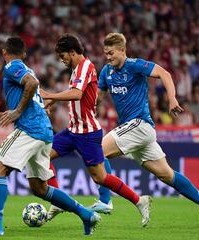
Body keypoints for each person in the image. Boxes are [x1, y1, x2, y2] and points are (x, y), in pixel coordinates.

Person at [0, 36, 101, 236]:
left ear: (4, 53)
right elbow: (27, 94)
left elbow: (31, 85)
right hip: (44, 131)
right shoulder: (26, 69)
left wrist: (16, 112)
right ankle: (85, 214)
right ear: (24, 54)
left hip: (29, 129)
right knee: (40, 189)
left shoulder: (11, 67)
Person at [97, 33, 199, 227]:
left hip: (140, 125)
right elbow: (98, 97)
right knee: (166, 175)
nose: (108, 57)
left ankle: (105, 201)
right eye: (106, 53)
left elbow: (164, 74)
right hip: (132, 130)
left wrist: (172, 99)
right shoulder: (106, 71)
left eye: (111, 53)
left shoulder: (135, 65)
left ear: (122, 50)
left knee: (97, 151)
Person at [40, 33, 152, 227]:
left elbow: (77, 94)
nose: (62, 60)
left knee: (100, 177)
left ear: (73, 52)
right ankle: (57, 202)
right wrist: (51, 101)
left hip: (87, 133)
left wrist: (50, 95)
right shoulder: (76, 69)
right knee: (43, 156)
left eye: (63, 56)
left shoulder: (86, 67)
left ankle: (138, 200)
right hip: (72, 130)